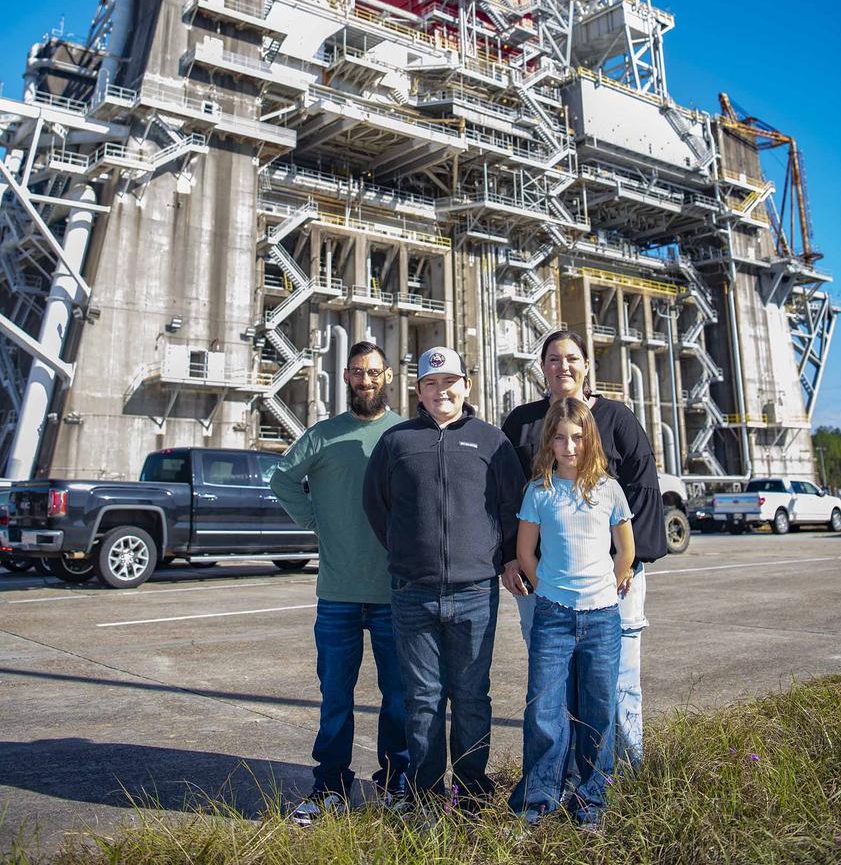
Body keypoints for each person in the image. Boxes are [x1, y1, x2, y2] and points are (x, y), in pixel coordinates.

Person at [362, 346, 526, 811]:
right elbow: (378, 507)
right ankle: (427, 793)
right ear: (418, 391)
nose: (441, 391)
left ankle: (472, 789)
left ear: (466, 386)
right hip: (413, 593)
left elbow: (510, 506)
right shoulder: (396, 442)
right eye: (431, 384)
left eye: (450, 382)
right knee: (423, 698)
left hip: (475, 591)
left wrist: (502, 556)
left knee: (472, 696)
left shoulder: (492, 441)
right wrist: (406, 550)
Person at [502, 329, 666, 768]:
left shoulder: (616, 418)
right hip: (543, 583)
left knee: (619, 681)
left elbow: (643, 486)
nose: (563, 367)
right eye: (553, 359)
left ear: (587, 365)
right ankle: (566, 776)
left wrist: (628, 567)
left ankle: (625, 773)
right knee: (552, 684)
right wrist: (509, 559)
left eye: (572, 358)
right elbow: (503, 496)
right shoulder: (521, 422)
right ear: (543, 368)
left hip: (613, 582)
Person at [270, 340, 408, 825]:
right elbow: (282, 478)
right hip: (338, 594)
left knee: (400, 698)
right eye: (356, 372)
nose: (365, 380)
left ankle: (396, 784)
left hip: (395, 593)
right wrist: (315, 520)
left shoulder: (404, 433)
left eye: (373, 372)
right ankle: (330, 785)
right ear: (346, 377)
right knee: (335, 697)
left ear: (387, 377)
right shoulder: (323, 435)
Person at [509, 397, 634, 827]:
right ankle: (538, 800)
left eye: (578, 437)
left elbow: (626, 549)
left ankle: (590, 799)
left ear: (590, 440)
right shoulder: (540, 490)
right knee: (545, 710)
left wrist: (611, 584)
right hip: (553, 617)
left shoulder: (608, 489)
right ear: (549, 442)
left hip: (602, 618)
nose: (569, 446)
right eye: (560, 438)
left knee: (598, 709)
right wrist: (550, 590)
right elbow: (525, 553)